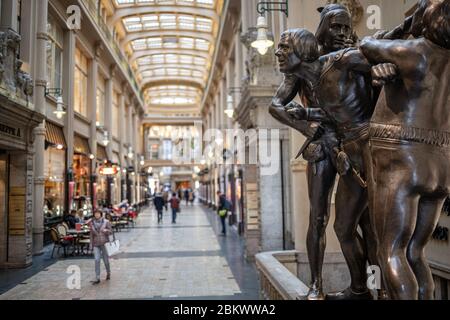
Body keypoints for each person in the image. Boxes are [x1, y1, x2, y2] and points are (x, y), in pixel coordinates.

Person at [359, 0, 450, 300]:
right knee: (416, 252)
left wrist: (403, 29)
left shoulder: (417, 51)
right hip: (441, 163)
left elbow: (367, 44)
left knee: (392, 251)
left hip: (402, 156)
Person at [88, 209, 112, 284]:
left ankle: (108, 272)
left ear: (101, 214)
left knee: (106, 261)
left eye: (98, 213)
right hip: (96, 244)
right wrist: (91, 245)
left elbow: (111, 231)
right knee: (97, 260)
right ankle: (97, 277)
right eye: (95, 214)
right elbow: (91, 235)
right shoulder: (91, 223)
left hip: (104, 243)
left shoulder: (106, 222)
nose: (97, 215)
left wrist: (106, 231)